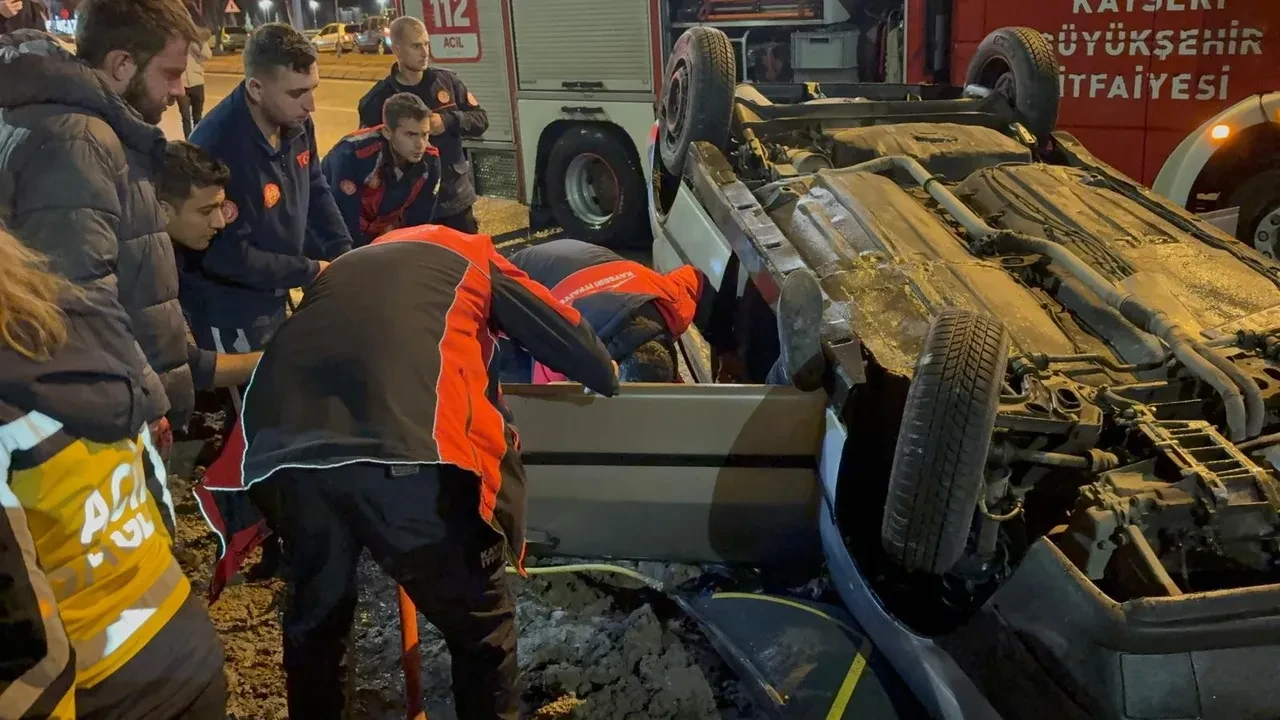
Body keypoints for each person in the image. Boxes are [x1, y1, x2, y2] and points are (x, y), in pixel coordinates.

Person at [233, 225, 618, 719]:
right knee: (481, 630)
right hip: (408, 458)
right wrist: (604, 369)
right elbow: (577, 348)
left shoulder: (346, 268)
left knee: (318, 628)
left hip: (280, 455)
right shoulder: (472, 255)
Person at [0, 227, 227, 719]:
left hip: (93, 689)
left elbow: (18, 632)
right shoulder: (73, 334)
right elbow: (153, 487)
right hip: (180, 640)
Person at [1, 0, 203, 507]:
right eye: (170, 73)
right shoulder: (79, 141)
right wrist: (147, 402)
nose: (180, 90)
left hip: (113, 399)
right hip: (109, 414)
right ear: (122, 64)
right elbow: (81, 299)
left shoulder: (80, 127)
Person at [186, 21, 352, 358]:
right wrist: (307, 270)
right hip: (232, 307)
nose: (310, 105)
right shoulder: (217, 146)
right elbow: (225, 255)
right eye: (296, 93)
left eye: (313, 89)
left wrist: (343, 251)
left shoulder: (296, 122)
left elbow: (315, 187)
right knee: (253, 386)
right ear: (256, 89)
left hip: (275, 289)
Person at [502, 238, 715, 383]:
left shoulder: (671, 304)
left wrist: (726, 351)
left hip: (583, 257)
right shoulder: (561, 357)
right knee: (522, 396)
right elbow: (549, 405)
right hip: (517, 277)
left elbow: (697, 279)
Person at [358, 16, 488, 233]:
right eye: (416, 46)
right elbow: (368, 155)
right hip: (408, 210)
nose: (425, 52)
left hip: (454, 201)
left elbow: (481, 119)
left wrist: (447, 121)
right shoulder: (378, 100)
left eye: (426, 44)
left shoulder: (448, 82)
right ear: (397, 50)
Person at [158, 140, 264, 388]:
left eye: (220, 207)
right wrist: (276, 361)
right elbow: (184, 367)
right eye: (206, 211)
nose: (220, 222)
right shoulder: (139, 271)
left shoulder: (180, 254)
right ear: (163, 210)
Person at [321, 92, 441, 248]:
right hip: (326, 230)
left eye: (424, 134)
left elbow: (418, 223)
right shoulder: (353, 153)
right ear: (388, 133)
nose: (420, 144)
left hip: (377, 232)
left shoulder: (430, 161)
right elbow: (342, 217)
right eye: (411, 135)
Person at [178, 26, 212, 138]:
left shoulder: (198, 42)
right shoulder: (178, 43)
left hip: (197, 82)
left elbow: (208, 55)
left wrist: (196, 45)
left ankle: (197, 140)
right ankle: (188, 142)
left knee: (197, 116)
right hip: (182, 84)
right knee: (185, 117)